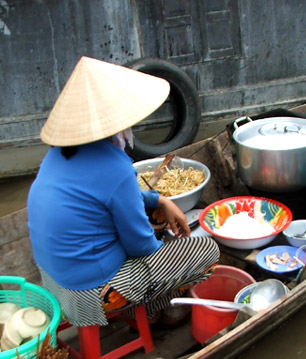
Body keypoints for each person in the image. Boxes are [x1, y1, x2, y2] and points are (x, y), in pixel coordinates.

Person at [27, 56, 219, 327]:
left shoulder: (56, 155)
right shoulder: (116, 167)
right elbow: (141, 246)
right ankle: (153, 306)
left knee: (155, 215)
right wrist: (169, 256)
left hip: (53, 280)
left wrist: (160, 199)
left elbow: (105, 199)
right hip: (91, 293)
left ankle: (153, 306)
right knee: (205, 250)